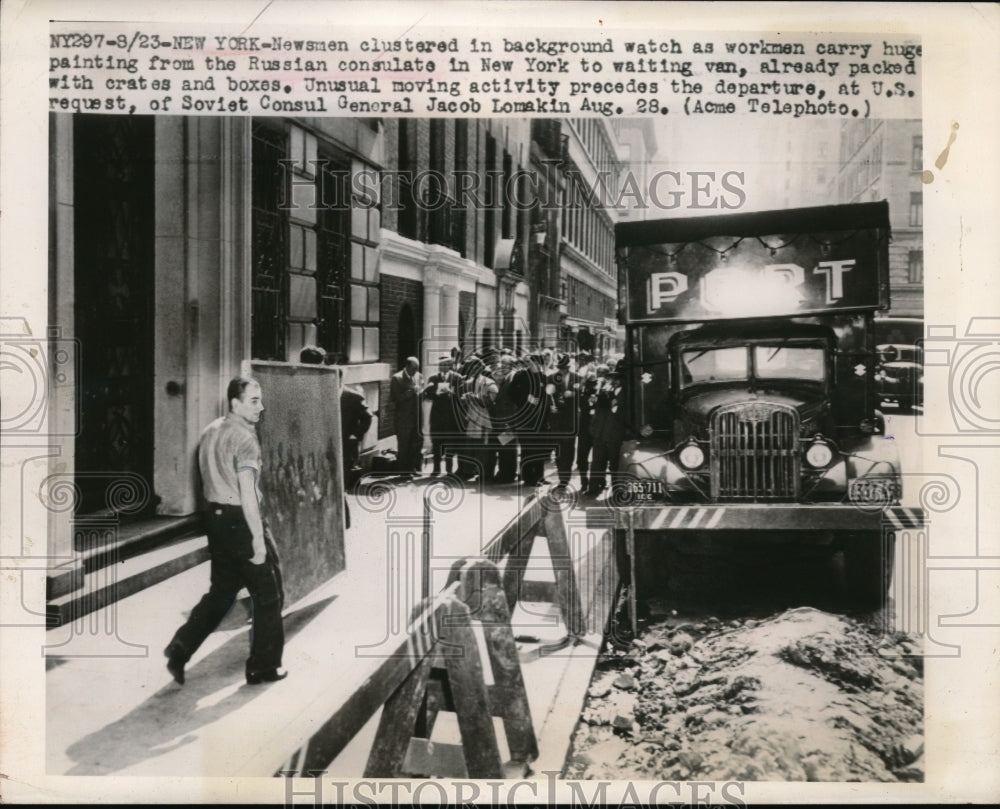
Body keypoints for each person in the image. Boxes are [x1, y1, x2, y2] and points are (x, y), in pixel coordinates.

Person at [164, 377, 286, 686]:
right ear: (236, 403)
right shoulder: (245, 439)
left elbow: (206, 479)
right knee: (268, 594)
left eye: (261, 400)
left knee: (221, 592)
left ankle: (181, 646)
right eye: (254, 401)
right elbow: (247, 494)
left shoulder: (211, 430)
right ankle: (264, 667)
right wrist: (258, 541)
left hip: (215, 520)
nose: (262, 407)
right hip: (241, 520)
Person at [587, 366, 627, 497]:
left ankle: (617, 491)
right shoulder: (606, 390)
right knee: (597, 461)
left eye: (617, 378)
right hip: (601, 432)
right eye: (612, 378)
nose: (614, 381)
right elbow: (598, 409)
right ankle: (594, 487)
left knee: (614, 463)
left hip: (615, 434)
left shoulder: (625, 394)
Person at [423, 355, 464, 476]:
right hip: (437, 417)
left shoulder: (457, 378)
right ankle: (436, 469)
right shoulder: (433, 378)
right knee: (437, 443)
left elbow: (461, 395)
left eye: (446, 365)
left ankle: (449, 469)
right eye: (441, 365)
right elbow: (428, 395)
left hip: (451, 417)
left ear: (450, 366)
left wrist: (452, 393)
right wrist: (435, 392)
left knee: (450, 443)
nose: (443, 367)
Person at [546, 352, 578, 489]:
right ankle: (562, 478)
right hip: (556, 421)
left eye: (565, 368)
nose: (563, 371)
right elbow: (546, 397)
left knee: (569, 450)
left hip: (571, 420)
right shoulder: (551, 378)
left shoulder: (578, 378)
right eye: (561, 368)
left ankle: (566, 478)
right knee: (559, 451)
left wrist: (575, 394)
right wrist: (550, 407)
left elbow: (585, 398)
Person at [389, 356, 424, 478]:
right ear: (407, 366)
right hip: (403, 418)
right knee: (404, 445)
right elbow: (395, 399)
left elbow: (421, 395)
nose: (415, 371)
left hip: (417, 417)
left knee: (416, 444)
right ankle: (403, 471)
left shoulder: (419, 376)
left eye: (417, 368)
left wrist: (423, 391)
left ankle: (413, 468)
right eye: (413, 368)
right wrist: (410, 393)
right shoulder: (397, 378)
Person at [574, 351, 597, 492]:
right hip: (584, 429)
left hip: (596, 429)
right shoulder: (580, 394)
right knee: (582, 458)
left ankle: (597, 481)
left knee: (598, 459)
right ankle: (584, 481)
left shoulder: (601, 391)